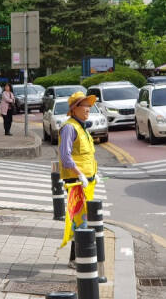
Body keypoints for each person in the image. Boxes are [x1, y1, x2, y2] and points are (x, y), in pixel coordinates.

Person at [58, 91, 99, 268]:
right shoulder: (70, 127)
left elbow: (87, 155)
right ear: (75, 109)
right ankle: (76, 259)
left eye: (89, 106)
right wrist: (80, 174)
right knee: (80, 220)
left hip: (86, 181)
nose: (88, 109)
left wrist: (92, 174)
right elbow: (65, 156)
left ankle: (77, 257)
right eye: (85, 106)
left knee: (83, 219)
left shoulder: (82, 128)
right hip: (76, 182)